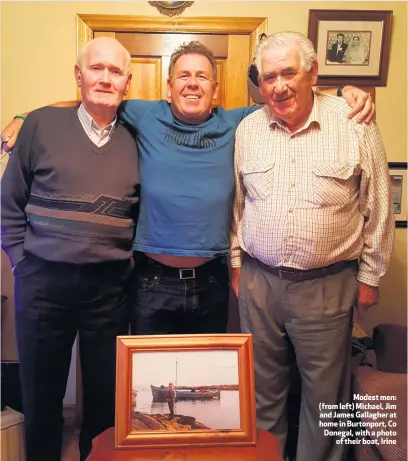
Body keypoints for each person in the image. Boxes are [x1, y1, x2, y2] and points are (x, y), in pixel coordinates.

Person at [1, 42, 374, 337]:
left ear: (215, 88)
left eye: (201, 76)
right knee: (146, 392)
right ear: (168, 87)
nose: (192, 83)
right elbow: (91, 100)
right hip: (149, 281)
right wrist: (25, 116)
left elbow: (289, 94)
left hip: (213, 280)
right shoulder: (143, 115)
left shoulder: (242, 122)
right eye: (182, 75)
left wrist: (343, 89)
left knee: (203, 387)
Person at [230, 32, 394, 461]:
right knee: (261, 391)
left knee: (325, 400)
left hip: (327, 283)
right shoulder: (248, 128)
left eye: (289, 73)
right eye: (269, 77)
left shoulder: (354, 121)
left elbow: (378, 206)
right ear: (259, 83)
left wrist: (370, 276)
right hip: (258, 282)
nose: (279, 86)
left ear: (313, 73)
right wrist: (235, 265)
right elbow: (237, 202)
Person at [1, 37, 140, 461]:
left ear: (127, 83)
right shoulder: (40, 124)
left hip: (110, 287)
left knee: (104, 399)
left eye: (115, 72)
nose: (105, 78)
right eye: (96, 68)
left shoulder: (140, 136)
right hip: (43, 281)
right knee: (41, 395)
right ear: (78, 75)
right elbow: (9, 203)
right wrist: (23, 263)